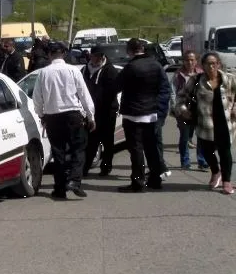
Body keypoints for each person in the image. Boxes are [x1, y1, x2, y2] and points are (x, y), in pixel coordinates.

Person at [33, 41, 96, 199]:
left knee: (58, 152)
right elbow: (84, 94)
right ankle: (75, 180)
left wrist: (41, 115)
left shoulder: (43, 73)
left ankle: (60, 188)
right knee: (78, 149)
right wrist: (91, 116)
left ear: (49, 55)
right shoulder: (73, 70)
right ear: (65, 54)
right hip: (72, 115)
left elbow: (37, 99)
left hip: (52, 117)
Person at [175, 52, 236, 195]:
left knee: (225, 152)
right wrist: (183, 110)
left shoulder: (229, 79)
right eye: (208, 63)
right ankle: (215, 171)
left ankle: (227, 182)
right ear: (202, 66)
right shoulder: (196, 81)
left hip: (225, 123)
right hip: (205, 124)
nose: (211, 66)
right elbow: (180, 98)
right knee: (207, 152)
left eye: (214, 63)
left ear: (219, 64)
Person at [115, 38, 165, 192]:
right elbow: (164, 87)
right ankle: (155, 179)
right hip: (151, 112)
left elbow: (117, 86)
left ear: (129, 50)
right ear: (142, 48)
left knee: (136, 149)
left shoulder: (130, 67)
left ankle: (138, 181)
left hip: (133, 113)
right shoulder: (156, 65)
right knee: (151, 147)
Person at [81, 46, 119, 177]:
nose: (97, 59)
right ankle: (84, 168)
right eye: (94, 56)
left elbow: (114, 90)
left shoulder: (110, 70)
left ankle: (106, 167)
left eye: (99, 56)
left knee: (108, 140)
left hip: (107, 110)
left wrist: (99, 98)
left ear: (103, 57)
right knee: (91, 140)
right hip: (91, 111)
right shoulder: (85, 69)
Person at [170, 50, 207, 170]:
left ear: (196, 61)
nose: (189, 62)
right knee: (185, 137)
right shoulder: (178, 75)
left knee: (201, 136)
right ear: (183, 61)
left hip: (199, 111)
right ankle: (185, 162)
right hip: (183, 110)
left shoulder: (202, 74)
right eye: (187, 60)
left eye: (192, 60)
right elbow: (172, 92)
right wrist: (178, 108)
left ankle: (202, 161)